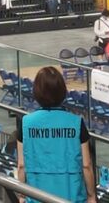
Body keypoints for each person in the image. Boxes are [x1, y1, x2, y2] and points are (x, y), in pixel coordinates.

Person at [16, 66, 95, 203]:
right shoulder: (76, 123)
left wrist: (22, 196)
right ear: (62, 91)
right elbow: (86, 165)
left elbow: (22, 165)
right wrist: (91, 195)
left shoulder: (26, 123)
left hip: (36, 197)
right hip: (71, 197)